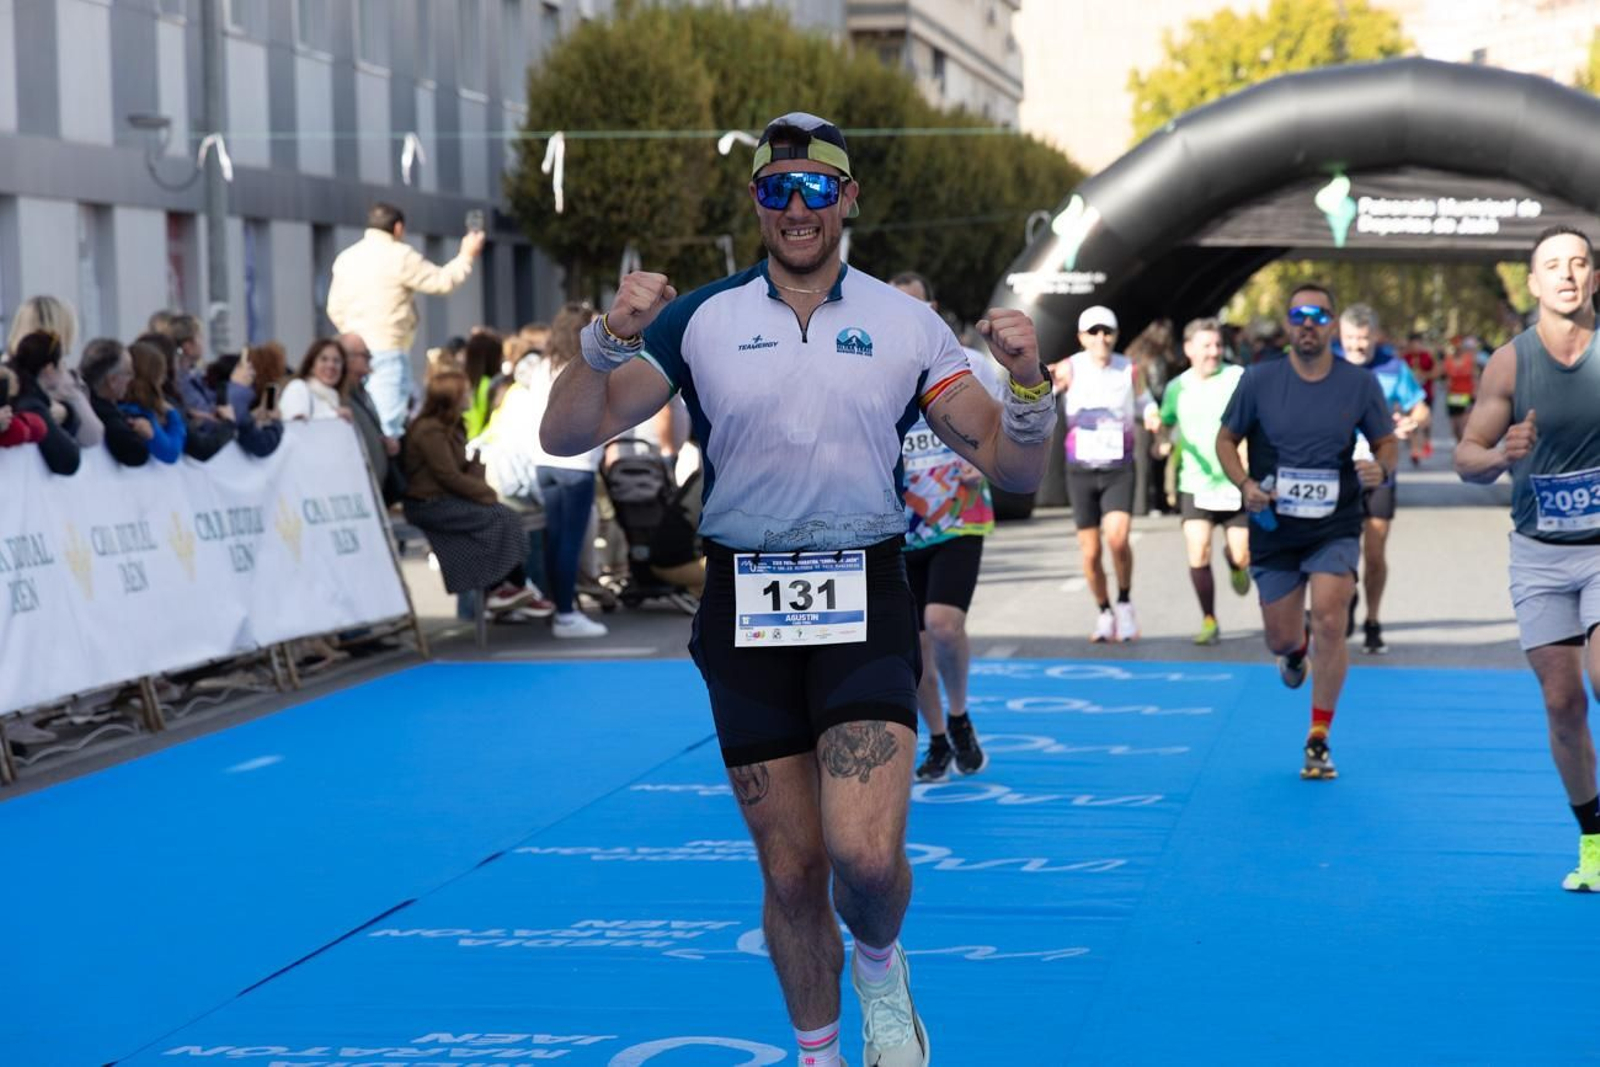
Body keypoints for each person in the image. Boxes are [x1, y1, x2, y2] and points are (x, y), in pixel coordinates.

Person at [539, 111, 1054, 1067]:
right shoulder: (700, 317)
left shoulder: (905, 324)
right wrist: (606, 337)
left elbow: (1010, 467)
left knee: (862, 859)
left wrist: (1027, 385)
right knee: (791, 868)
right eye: (779, 189)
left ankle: (883, 965)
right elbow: (566, 434)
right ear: (758, 203)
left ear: (849, 199)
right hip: (745, 597)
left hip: (864, 585)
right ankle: (818, 1051)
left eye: (818, 189)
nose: (799, 208)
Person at [1455, 225, 1600, 892]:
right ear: (1534, 285)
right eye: (1553, 266)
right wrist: (1500, 455)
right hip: (1538, 555)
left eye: (1579, 264)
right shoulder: (1510, 364)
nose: (1568, 275)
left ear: (1595, 279)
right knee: (1563, 700)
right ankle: (1594, 838)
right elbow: (1466, 459)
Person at [1216, 283, 1396, 780]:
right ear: (1289, 324)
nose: (1308, 323)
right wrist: (1244, 483)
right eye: (1299, 315)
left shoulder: (1358, 384)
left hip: (1334, 524)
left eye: (1318, 315)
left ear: (1333, 324)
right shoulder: (1258, 379)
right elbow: (1226, 439)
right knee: (1281, 637)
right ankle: (1294, 656)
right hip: (1273, 524)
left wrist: (1380, 467)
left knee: (1332, 621)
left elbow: (1386, 442)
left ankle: (1319, 737)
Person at [890, 271, 1000, 784]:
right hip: (896, 526)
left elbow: (1000, 426)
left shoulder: (969, 364)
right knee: (913, 648)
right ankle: (936, 737)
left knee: (943, 623)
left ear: (933, 309)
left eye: (917, 307)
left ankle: (959, 715)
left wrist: (985, 459)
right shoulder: (875, 369)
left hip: (958, 516)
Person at [1050, 305, 1163, 642]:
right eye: (1094, 332)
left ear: (1115, 336)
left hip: (1118, 467)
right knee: (1090, 551)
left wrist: (1154, 417)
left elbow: (1146, 402)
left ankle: (1125, 602)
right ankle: (1103, 611)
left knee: (1117, 538)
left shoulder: (1129, 368)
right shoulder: (1070, 367)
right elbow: (1039, 395)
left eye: (1107, 332)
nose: (1101, 339)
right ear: (1082, 337)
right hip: (1081, 468)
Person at [326, 202, 484, 436]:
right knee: (388, 428)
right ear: (398, 228)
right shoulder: (400, 255)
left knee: (359, 423)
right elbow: (442, 281)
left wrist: (353, 337)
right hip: (388, 349)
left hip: (350, 352)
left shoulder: (346, 258)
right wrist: (467, 255)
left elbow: (334, 308)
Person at [402, 369, 541, 617]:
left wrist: (476, 468)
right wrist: (485, 493)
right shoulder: (429, 430)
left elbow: (456, 472)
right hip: (429, 503)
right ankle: (505, 587)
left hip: (444, 498)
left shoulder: (450, 426)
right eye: (464, 392)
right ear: (451, 396)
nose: (469, 396)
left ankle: (507, 586)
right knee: (501, 517)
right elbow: (447, 476)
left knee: (505, 516)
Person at [1339, 304, 1429, 655]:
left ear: (1375, 337)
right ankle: (1345, 594)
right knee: (1340, 552)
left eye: (1363, 338)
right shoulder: (1329, 365)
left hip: (1380, 472)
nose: (1357, 346)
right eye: (1350, 339)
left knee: (1374, 553)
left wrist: (1412, 422)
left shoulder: (1393, 368)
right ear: (1340, 338)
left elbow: (1419, 407)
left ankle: (1372, 620)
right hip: (1339, 472)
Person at [1159, 317, 1251, 645]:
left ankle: (1236, 565)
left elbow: (1256, 421)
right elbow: (1167, 421)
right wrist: (1162, 438)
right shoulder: (1176, 387)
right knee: (1198, 551)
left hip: (1235, 481)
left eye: (1217, 345)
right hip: (1195, 482)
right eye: (1206, 346)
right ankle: (1209, 619)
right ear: (1189, 350)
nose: (1214, 352)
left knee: (1241, 554)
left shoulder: (1238, 377)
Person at [525, 303, 610, 639]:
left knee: (555, 540)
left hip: (544, 462)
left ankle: (558, 606)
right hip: (577, 464)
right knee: (569, 543)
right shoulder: (589, 365)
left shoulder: (542, 366)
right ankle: (564, 612)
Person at [9, 330, 87, 475]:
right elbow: (68, 460)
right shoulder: (32, 404)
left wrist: (67, 414)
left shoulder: (21, 392)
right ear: (50, 369)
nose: (64, 370)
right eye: (62, 364)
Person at [339, 333, 404, 500]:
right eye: (365, 355)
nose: (370, 359)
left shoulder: (363, 393)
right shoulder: (340, 398)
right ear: (347, 358)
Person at [79, 339, 152, 467]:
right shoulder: (104, 413)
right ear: (112, 381)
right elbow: (136, 454)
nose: (132, 378)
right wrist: (143, 434)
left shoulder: (85, 399)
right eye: (129, 373)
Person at [121, 339, 188, 464]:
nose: (163, 380)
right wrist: (173, 415)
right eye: (161, 374)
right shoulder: (139, 412)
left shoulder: (122, 404)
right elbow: (170, 453)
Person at [280, 338, 353, 422]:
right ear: (311, 366)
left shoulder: (335, 401)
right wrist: (335, 415)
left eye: (336, 361)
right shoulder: (298, 387)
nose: (331, 365)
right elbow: (295, 427)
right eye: (324, 359)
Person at [1399, 331, 1439, 465]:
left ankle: (1426, 441)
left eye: (1418, 344)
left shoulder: (1427, 356)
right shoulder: (1404, 358)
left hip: (1426, 394)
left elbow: (1436, 372)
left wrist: (1424, 375)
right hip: (1409, 397)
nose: (1415, 347)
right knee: (1412, 422)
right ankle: (1415, 450)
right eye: (1413, 344)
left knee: (1425, 422)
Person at [1441, 336, 1480, 443]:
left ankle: (1464, 446)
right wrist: (1446, 383)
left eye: (1458, 346)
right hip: (1453, 396)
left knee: (1463, 425)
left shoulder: (1470, 359)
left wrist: (1475, 391)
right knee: (1455, 427)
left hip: (1467, 394)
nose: (1456, 348)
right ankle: (1459, 444)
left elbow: (1475, 376)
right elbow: (1445, 376)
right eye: (1454, 346)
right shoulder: (1448, 361)